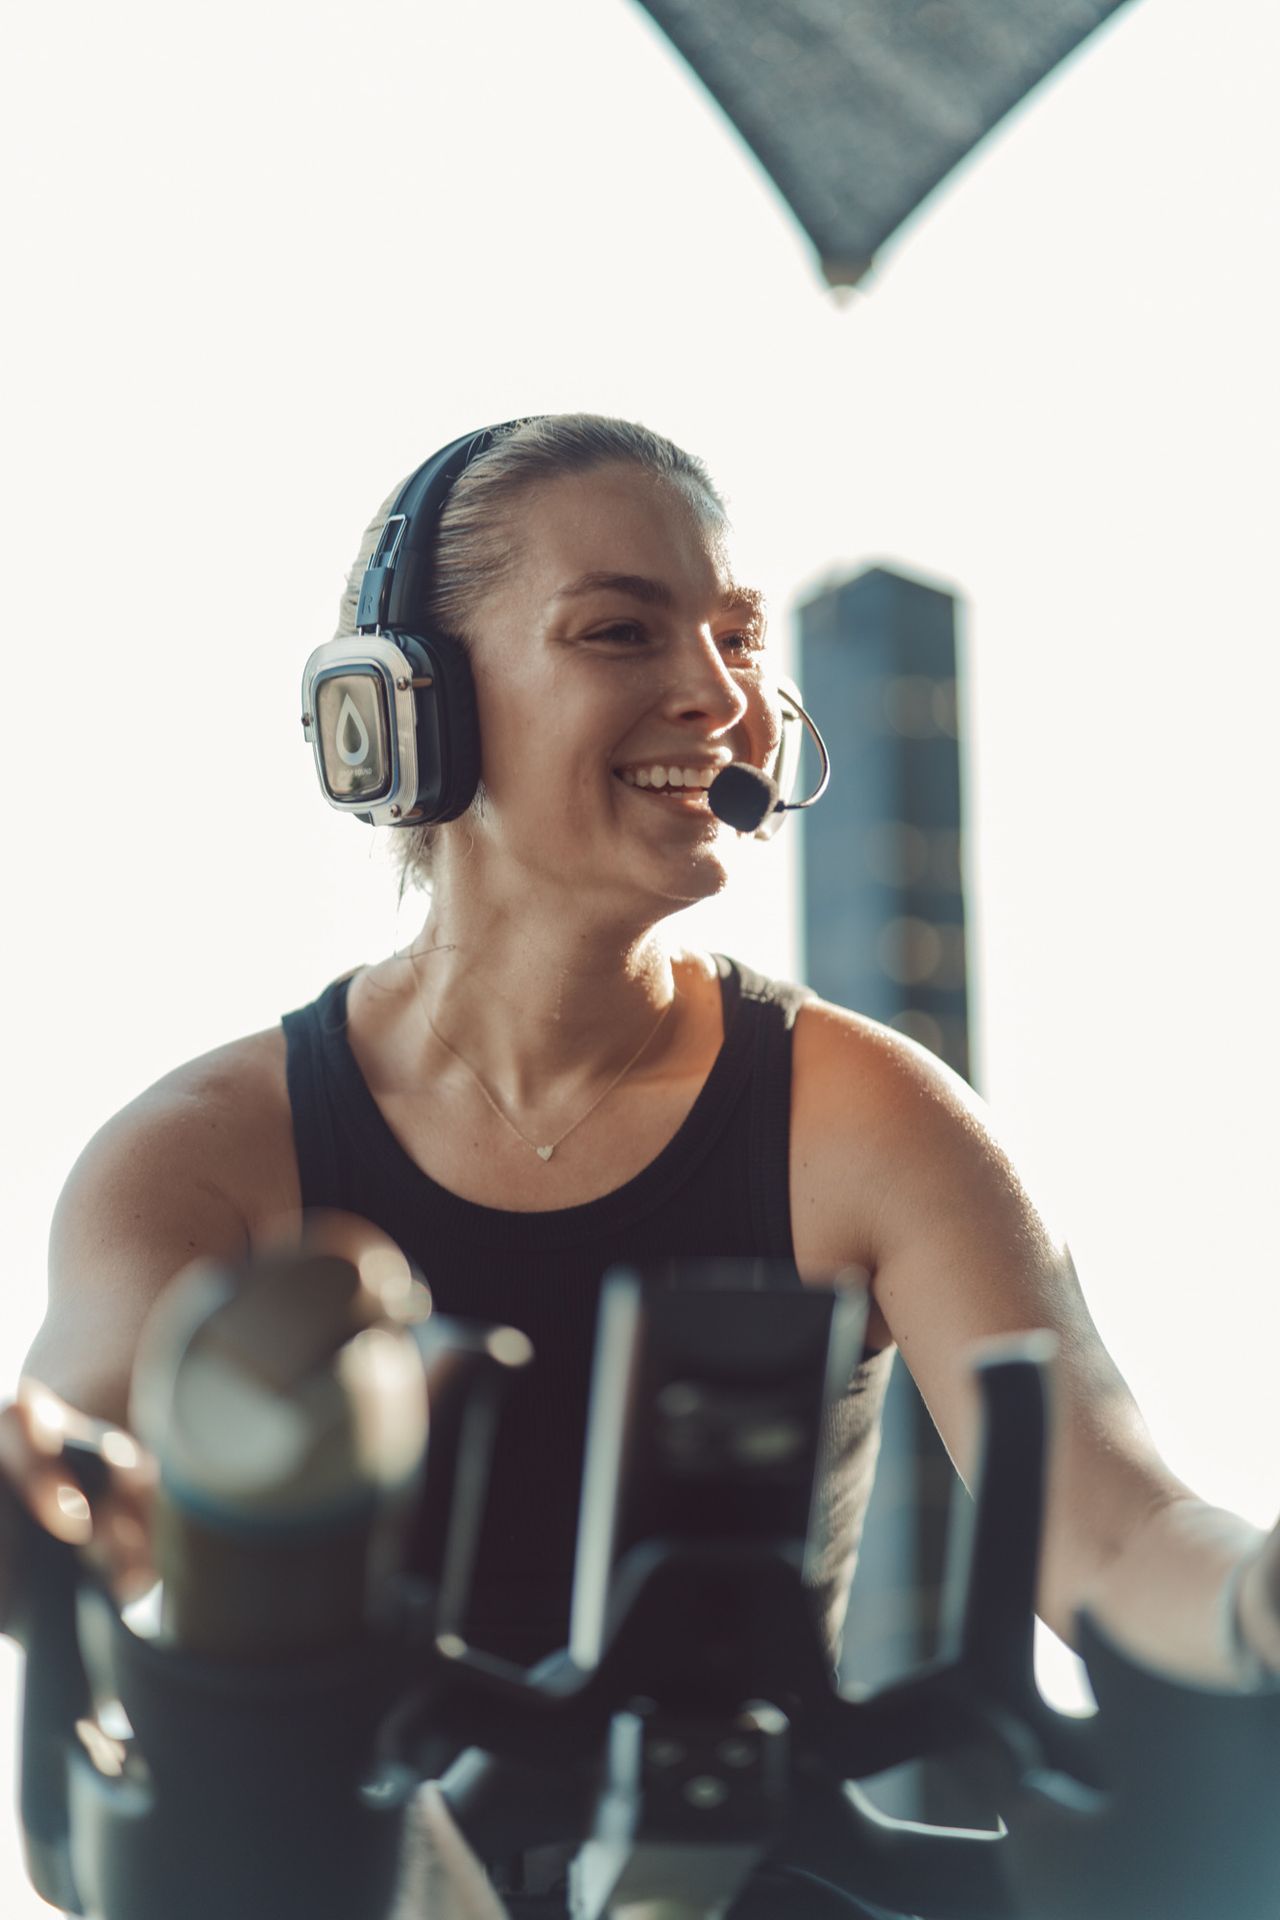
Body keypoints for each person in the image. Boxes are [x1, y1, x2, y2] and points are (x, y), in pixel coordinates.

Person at [3, 413, 1279, 1919]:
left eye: (738, 637)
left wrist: (1257, 1603)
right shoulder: (205, 1154)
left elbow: (1115, 1532)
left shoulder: (865, 1117)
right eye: (621, 630)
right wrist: (83, 1502)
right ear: (408, 711)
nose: (720, 695)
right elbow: (91, 1477)